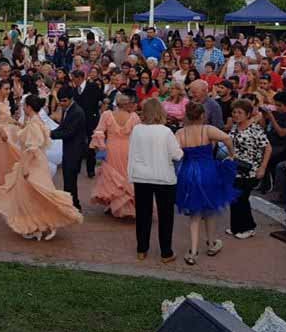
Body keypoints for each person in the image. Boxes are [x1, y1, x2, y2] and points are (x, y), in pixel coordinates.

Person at [0, 95, 83, 240]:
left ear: (29, 107)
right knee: (34, 194)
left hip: (32, 163)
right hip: (36, 161)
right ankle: (42, 225)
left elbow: (33, 147)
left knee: (35, 194)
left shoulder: (35, 124)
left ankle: (42, 224)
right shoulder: (35, 121)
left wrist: (25, 167)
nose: (23, 107)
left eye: (24, 105)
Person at [175, 102, 237, 265]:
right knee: (210, 209)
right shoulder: (207, 129)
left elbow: (176, 152)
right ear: (202, 115)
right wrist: (232, 154)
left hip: (188, 172)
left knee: (194, 215)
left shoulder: (181, 132)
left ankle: (193, 251)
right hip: (208, 171)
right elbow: (227, 138)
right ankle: (211, 243)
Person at [128, 98, 183, 262]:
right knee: (165, 216)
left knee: (143, 214)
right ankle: (166, 252)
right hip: (163, 177)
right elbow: (177, 154)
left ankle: (141, 249)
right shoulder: (166, 131)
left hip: (141, 176)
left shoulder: (137, 130)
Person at [90, 93, 140, 218]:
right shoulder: (134, 117)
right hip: (128, 149)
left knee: (112, 176)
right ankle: (122, 204)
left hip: (111, 148)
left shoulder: (107, 114)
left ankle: (114, 204)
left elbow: (99, 131)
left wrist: (100, 145)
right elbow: (138, 135)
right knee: (126, 174)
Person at [227, 99, 271, 239]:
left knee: (242, 198)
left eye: (240, 112)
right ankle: (236, 227)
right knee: (234, 197)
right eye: (234, 112)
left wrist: (262, 168)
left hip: (250, 168)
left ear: (247, 114)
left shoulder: (255, 129)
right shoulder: (235, 127)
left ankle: (249, 227)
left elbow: (268, 148)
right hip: (235, 167)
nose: (236, 115)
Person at [50, 86, 87, 212]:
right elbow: (62, 128)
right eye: (60, 101)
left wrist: (49, 135)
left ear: (71, 99)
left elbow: (68, 132)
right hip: (69, 149)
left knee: (70, 179)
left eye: (64, 100)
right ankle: (71, 204)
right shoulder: (68, 110)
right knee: (68, 179)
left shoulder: (77, 112)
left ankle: (73, 205)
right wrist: (50, 132)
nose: (62, 103)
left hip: (75, 150)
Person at [71, 69, 103, 178]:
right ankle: (77, 167)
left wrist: (97, 113)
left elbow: (102, 98)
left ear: (79, 78)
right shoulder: (75, 90)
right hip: (79, 122)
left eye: (74, 78)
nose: (73, 81)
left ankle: (90, 169)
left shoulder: (92, 86)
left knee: (91, 145)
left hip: (91, 120)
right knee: (78, 144)